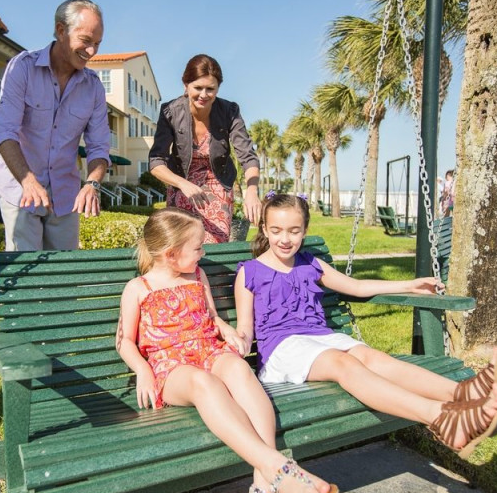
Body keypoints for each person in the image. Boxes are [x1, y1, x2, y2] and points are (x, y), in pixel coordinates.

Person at [234, 193, 497, 459]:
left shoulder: (310, 263)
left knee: (372, 357)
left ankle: (465, 394)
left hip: (320, 339)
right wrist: (239, 342)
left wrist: (411, 285)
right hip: (282, 351)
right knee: (343, 363)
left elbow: (357, 286)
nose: (285, 239)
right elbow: (246, 328)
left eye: (294, 231)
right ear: (264, 229)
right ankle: (441, 419)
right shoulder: (250, 271)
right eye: (276, 231)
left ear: (305, 231)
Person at [116, 208, 337, 493]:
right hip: (169, 368)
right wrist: (143, 370)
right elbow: (124, 341)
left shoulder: (197, 275)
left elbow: (210, 315)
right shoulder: (138, 288)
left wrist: (226, 329)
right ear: (171, 254)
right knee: (203, 382)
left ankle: (263, 478)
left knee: (237, 367)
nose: (202, 252)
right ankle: (278, 467)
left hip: (208, 350)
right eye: (197, 247)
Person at [0, 0, 111, 251]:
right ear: (60, 30)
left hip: (65, 196)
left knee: (64, 279)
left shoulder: (93, 87)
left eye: (97, 44)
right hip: (20, 189)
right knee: (27, 280)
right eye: (85, 41)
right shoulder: (22, 68)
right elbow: (4, 132)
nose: (91, 52)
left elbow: (99, 148)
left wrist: (92, 183)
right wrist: (28, 181)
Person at [148, 54, 261, 244]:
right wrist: (182, 184)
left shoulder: (229, 111)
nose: (203, 95)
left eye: (210, 89)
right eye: (197, 87)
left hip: (217, 184)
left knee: (214, 245)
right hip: (182, 183)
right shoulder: (170, 112)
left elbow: (248, 156)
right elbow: (156, 161)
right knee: (182, 246)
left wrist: (252, 190)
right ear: (186, 85)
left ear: (218, 88)